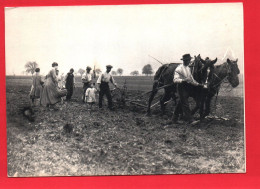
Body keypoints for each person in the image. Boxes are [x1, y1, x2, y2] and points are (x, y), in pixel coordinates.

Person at [172, 54, 200, 125]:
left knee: (180, 103)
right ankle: (191, 120)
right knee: (185, 103)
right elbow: (175, 80)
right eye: (188, 60)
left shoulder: (188, 68)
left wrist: (198, 84)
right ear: (184, 60)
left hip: (187, 88)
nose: (189, 62)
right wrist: (184, 80)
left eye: (190, 60)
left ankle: (174, 119)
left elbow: (191, 79)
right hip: (181, 87)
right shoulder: (179, 69)